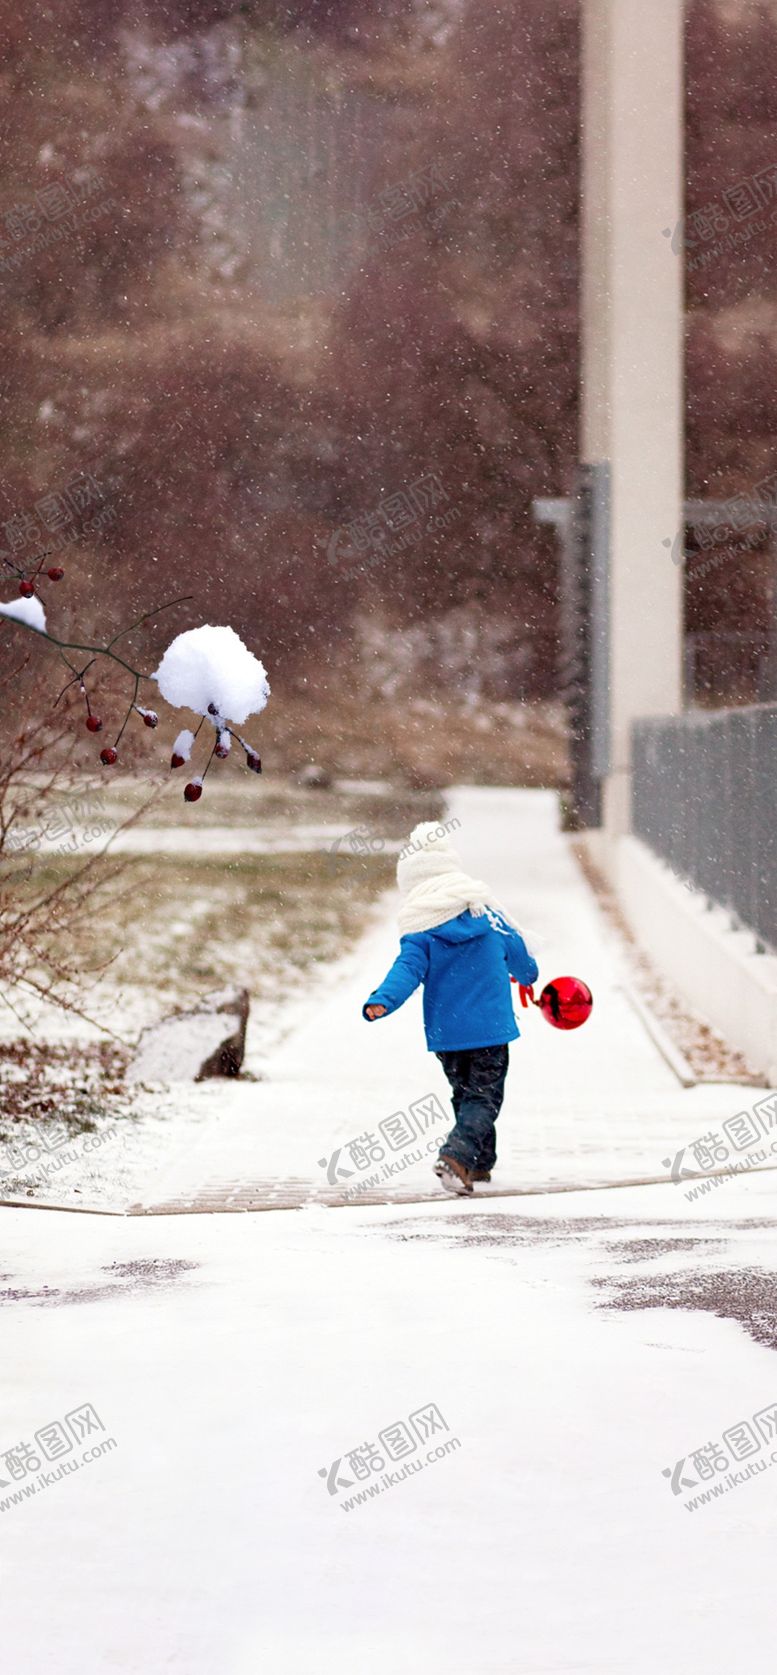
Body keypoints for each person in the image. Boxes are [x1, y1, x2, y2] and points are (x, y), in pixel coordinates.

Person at [362, 822, 538, 1195]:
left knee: (466, 1094)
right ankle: (456, 1157)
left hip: (448, 1033)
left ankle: (479, 1163)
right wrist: (527, 974)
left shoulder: (420, 930)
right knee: (484, 1097)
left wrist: (382, 1000)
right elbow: (524, 962)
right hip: (491, 1030)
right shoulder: (489, 916)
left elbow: (406, 970)